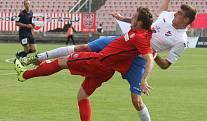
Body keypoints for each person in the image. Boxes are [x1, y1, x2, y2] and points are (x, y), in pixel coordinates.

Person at [18, 1, 197, 121]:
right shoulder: (161, 17)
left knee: (136, 100)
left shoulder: (181, 41)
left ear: (186, 20)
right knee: (84, 50)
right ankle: (38, 58)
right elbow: (142, 22)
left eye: (180, 14)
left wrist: (152, 55)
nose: (175, 13)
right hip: (124, 45)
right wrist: (124, 19)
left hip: (135, 57)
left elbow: (164, 64)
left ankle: (27, 71)